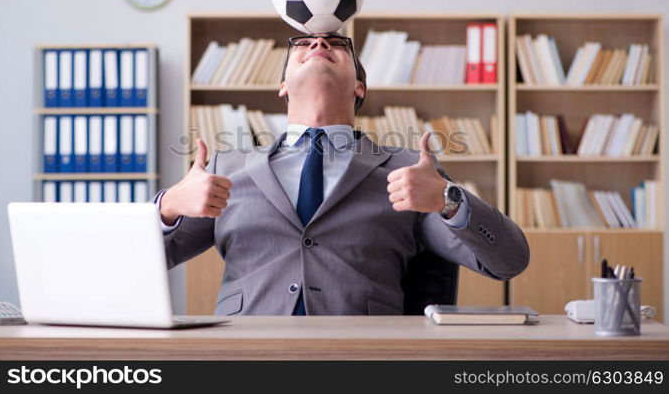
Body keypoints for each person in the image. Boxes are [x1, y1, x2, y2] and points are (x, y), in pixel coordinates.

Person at [156, 33, 529, 315]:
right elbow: (145, 260)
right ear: (283, 86)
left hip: (365, 356)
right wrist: (170, 206)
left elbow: (509, 262)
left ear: (359, 86)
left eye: (336, 43)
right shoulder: (224, 169)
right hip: (245, 357)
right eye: (302, 43)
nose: (318, 42)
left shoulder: (408, 171)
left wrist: (449, 199)